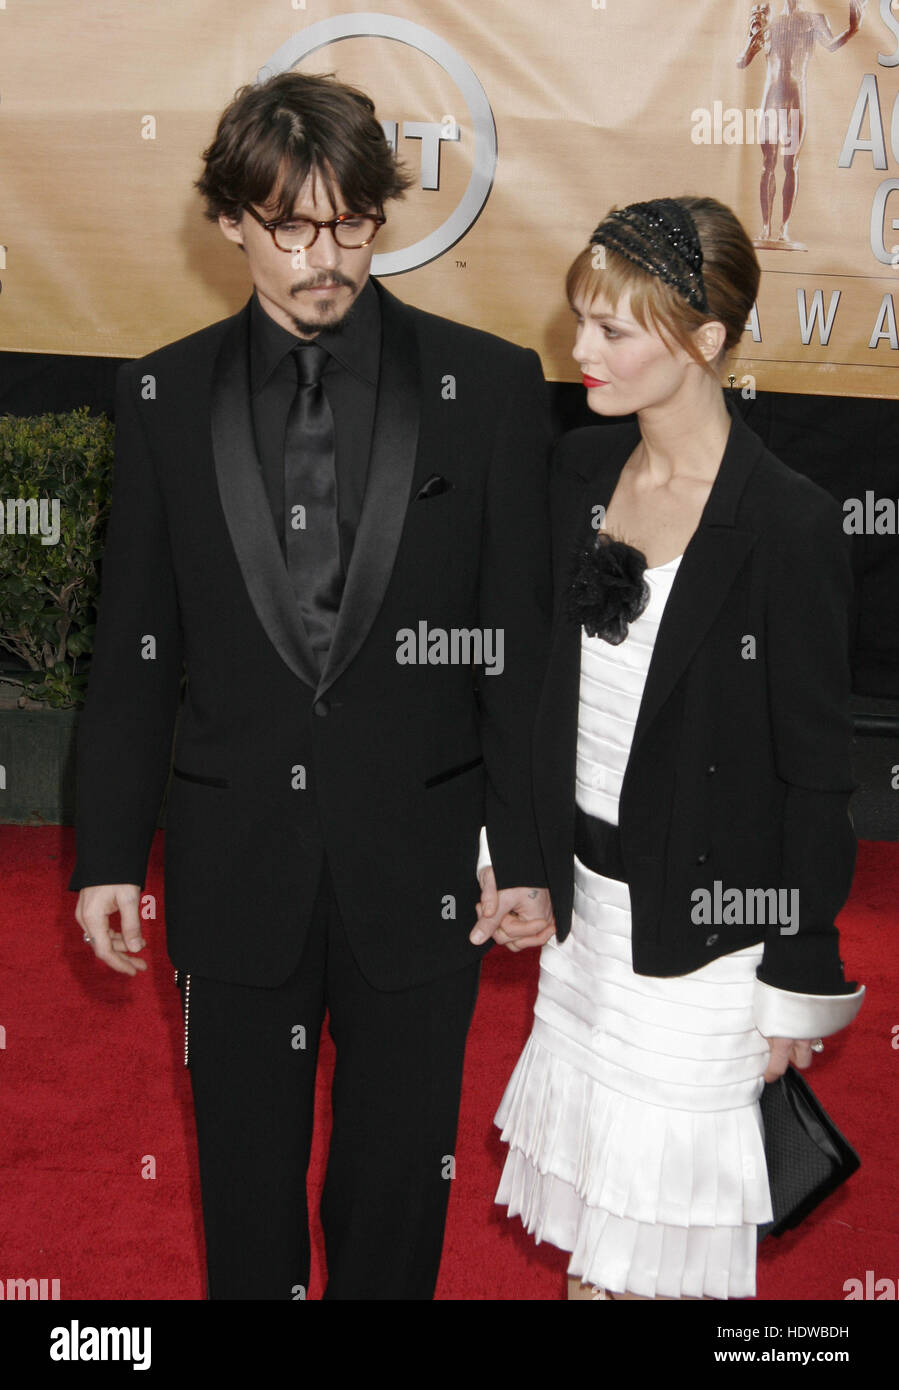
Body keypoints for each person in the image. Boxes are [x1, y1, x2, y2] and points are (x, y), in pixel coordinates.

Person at [68, 70, 552, 1300]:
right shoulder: (162, 395)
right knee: (243, 1186)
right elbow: (134, 644)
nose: (322, 256)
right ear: (231, 219)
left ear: (382, 217)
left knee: (395, 1190)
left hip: (424, 856)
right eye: (289, 225)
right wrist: (108, 850)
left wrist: (528, 844)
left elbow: (518, 647)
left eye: (351, 223)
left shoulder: (486, 389)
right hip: (237, 856)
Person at [471, 195, 865, 1300]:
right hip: (586, 931)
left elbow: (815, 775)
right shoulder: (577, 475)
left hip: (706, 949)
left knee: (659, 1263)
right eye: (577, 320)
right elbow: (539, 693)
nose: (577, 349)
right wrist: (521, 855)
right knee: (594, 1248)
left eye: (611, 329)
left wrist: (794, 973)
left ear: (703, 342)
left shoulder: (785, 523)